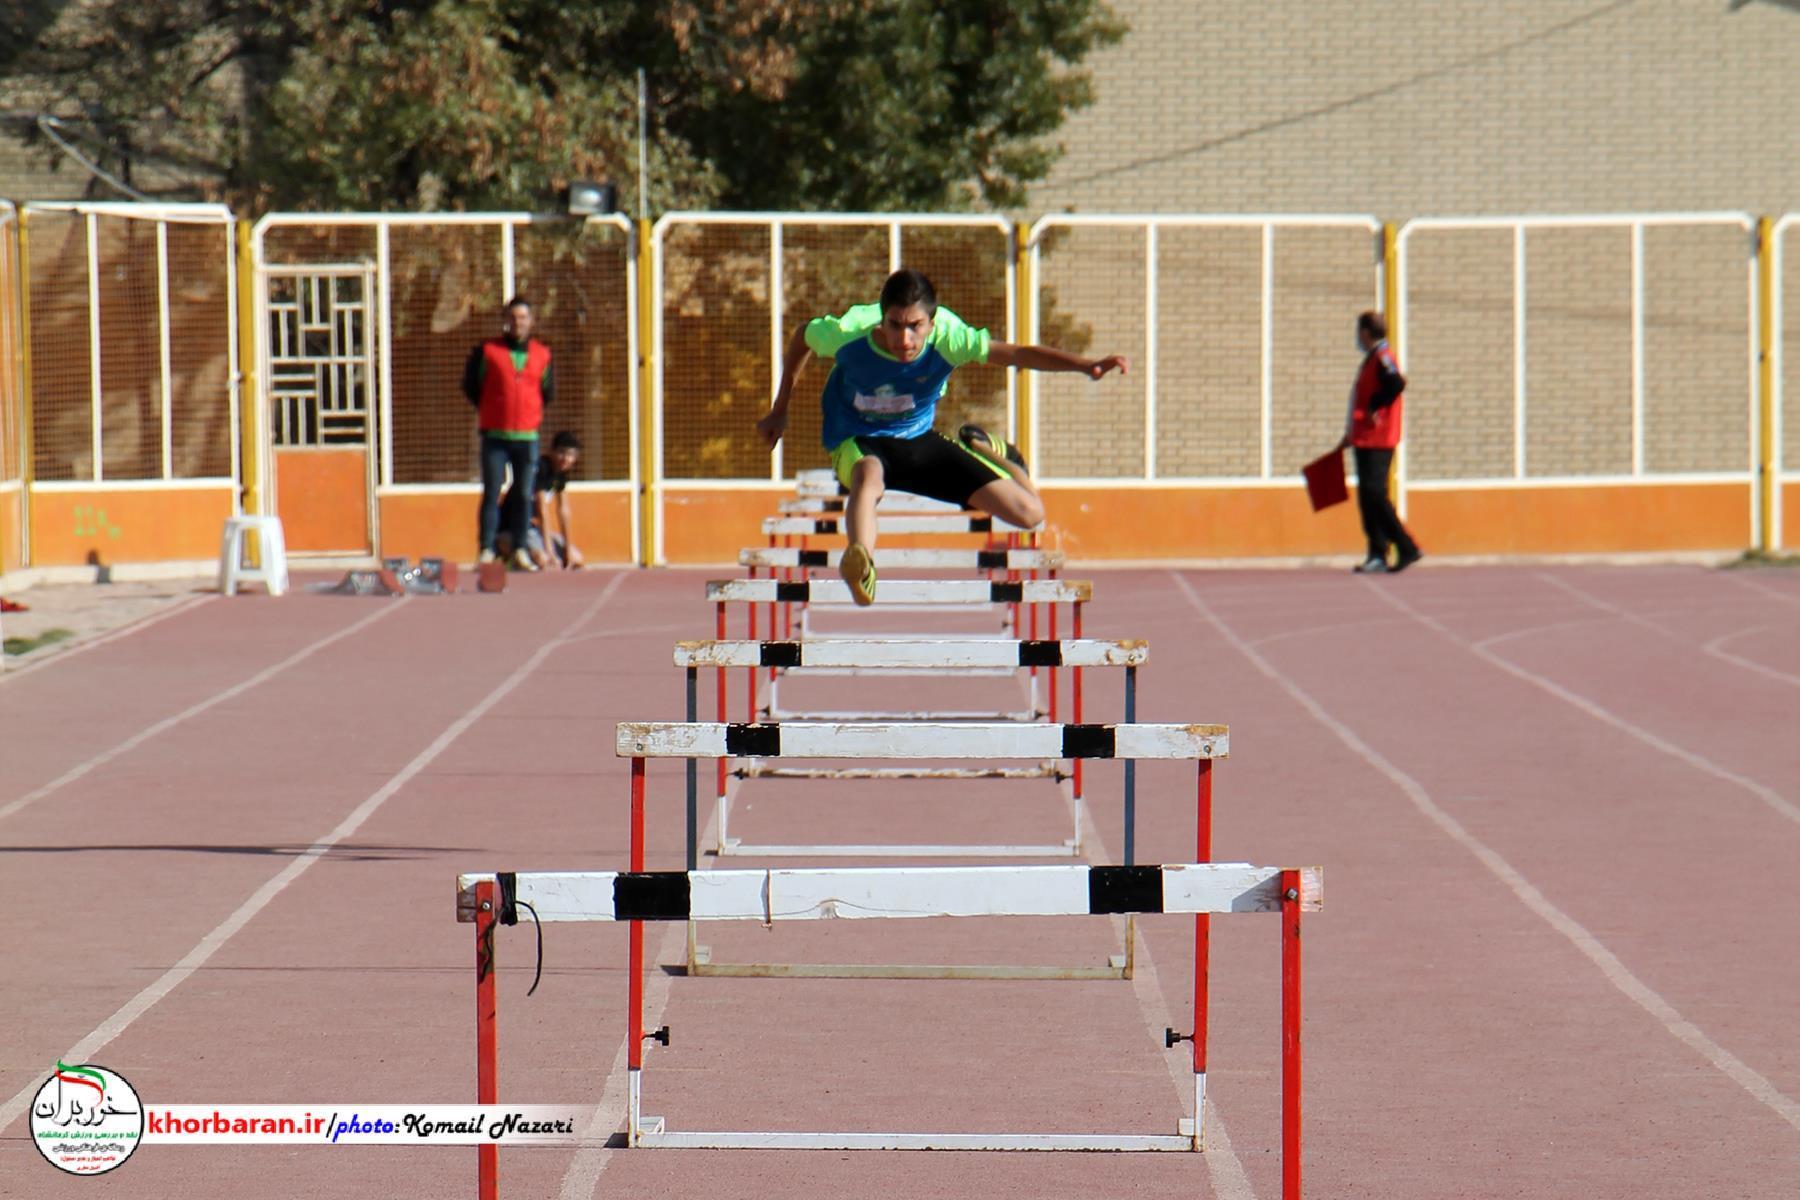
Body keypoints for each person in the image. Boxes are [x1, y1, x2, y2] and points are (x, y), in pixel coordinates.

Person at [756, 268, 1127, 605]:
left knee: (1030, 514)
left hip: (918, 439)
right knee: (867, 475)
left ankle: (992, 453)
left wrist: (1084, 365)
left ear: (932, 324)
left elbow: (1016, 353)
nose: (904, 339)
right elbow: (801, 338)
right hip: (857, 438)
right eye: (895, 325)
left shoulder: (951, 337)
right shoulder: (847, 334)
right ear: (881, 320)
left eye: (915, 326)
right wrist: (780, 407)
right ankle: (860, 563)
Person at [462, 296, 554, 570]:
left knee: (525, 494)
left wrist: (529, 412)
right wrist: (494, 409)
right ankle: (487, 549)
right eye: (513, 318)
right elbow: (471, 386)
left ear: (531, 321)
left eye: (523, 317)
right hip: (495, 436)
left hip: (527, 438)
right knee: (491, 491)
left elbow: (547, 392)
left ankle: (520, 549)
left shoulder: (543, 354)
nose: (518, 323)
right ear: (506, 320)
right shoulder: (488, 351)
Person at [1337, 310, 1421, 574]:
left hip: (1379, 439)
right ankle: (1377, 552)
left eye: (1358, 333)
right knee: (1367, 498)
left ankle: (1405, 545)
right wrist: (1351, 432)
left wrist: (1376, 406)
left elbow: (1396, 383)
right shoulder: (1371, 359)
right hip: (1364, 438)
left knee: (1375, 494)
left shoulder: (1383, 357)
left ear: (1365, 332)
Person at [497, 430, 587, 570]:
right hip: (512, 529)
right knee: (544, 560)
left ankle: (538, 553)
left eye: (571, 455)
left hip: (533, 529)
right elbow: (542, 511)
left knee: (577, 559)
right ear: (552, 451)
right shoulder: (541, 468)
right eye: (561, 453)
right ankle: (506, 552)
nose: (565, 459)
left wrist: (567, 549)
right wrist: (549, 552)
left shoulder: (561, 473)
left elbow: (563, 511)